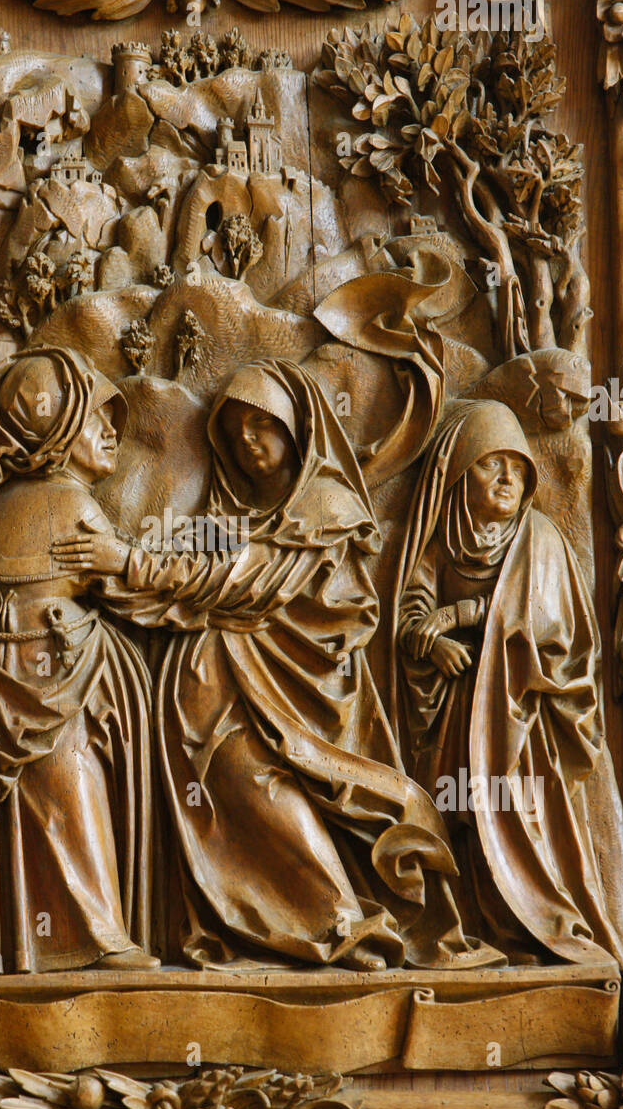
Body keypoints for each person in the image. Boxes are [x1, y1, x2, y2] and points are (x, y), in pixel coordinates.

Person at [54, 359, 502, 971]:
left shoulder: (325, 506)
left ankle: (347, 925)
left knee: (280, 794)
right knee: (240, 797)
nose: (247, 440)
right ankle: (291, 928)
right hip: (219, 701)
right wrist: (102, 575)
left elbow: (249, 580)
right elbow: (182, 580)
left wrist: (126, 562)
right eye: (235, 428)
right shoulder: (224, 519)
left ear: (295, 427)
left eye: (261, 424)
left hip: (309, 697)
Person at [0, 346, 158, 973]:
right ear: (60, 433)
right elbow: (131, 591)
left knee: (27, 819)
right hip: (51, 684)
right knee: (75, 798)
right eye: (97, 421)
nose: (112, 433)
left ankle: (19, 946)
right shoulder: (73, 505)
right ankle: (98, 936)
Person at [393, 399, 623, 967]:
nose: (506, 478)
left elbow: (552, 622)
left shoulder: (540, 539)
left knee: (520, 820)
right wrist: (432, 640)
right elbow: (408, 620)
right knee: (462, 823)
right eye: (491, 464)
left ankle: (536, 926)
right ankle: (477, 926)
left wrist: (464, 616)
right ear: (458, 474)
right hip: (456, 715)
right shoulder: (439, 545)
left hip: (523, 724)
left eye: (517, 469)